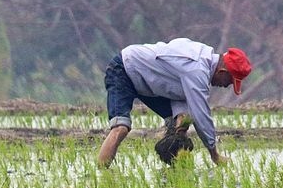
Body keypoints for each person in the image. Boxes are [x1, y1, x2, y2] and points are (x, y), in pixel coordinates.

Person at [97, 38, 252, 167]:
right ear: (222, 72)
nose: (226, 86)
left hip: (150, 80)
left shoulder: (203, 54)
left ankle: (176, 173)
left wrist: (178, 129)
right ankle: (100, 175)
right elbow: (201, 115)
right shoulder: (197, 70)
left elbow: (181, 94)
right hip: (124, 69)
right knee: (121, 128)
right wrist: (215, 155)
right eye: (230, 81)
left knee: (182, 121)